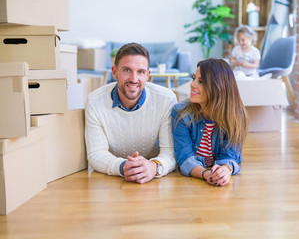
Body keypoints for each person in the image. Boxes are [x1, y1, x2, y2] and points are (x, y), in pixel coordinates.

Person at [85, 43, 177, 184]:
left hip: (154, 182)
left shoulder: (166, 99)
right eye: (127, 70)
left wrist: (154, 167)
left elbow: (170, 152)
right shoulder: (95, 101)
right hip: (113, 183)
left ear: (147, 75)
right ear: (114, 72)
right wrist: (124, 167)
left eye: (140, 72)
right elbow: (96, 153)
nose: (134, 79)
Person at [171, 58, 248, 187]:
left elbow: (231, 156)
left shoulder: (235, 115)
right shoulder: (180, 113)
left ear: (218, 87)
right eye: (194, 78)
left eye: (200, 81)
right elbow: (184, 159)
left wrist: (225, 170)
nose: (192, 84)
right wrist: (206, 174)